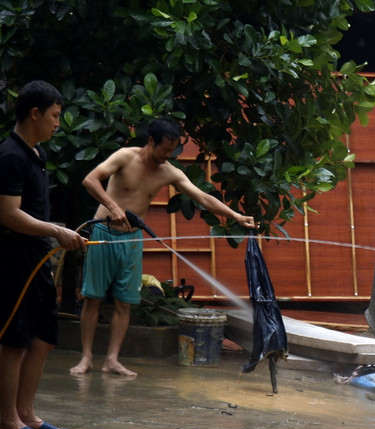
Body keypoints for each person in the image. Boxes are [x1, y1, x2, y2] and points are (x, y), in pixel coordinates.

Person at [70, 118, 256, 377]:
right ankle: (86, 357)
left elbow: (202, 197)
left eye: (172, 150)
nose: (167, 155)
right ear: (150, 141)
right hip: (104, 233)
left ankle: (112, 359)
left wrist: (235, 216)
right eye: (164, 149)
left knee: (125, 303)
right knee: (93, 299)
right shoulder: (125, 156)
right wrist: (113, 207)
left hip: (132, 240)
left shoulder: (168, 172)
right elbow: (91, 180)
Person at [0, 80, 87, 429]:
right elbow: (9, 214)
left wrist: (54, 234)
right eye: (55, 116)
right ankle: (7, 421)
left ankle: (26, 412)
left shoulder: (36, 155)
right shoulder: (11, 156)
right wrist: (56, 231)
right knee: (16, 339)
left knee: (44, 336)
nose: (58, 123)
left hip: (36, 255)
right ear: (34, 113)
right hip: (13, 256)